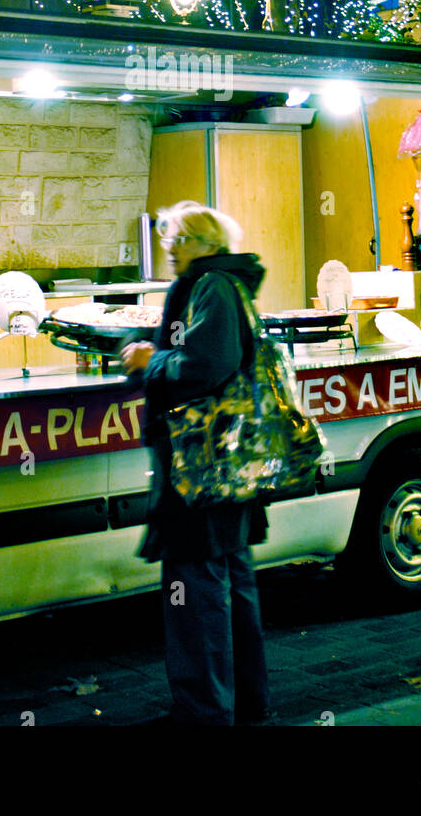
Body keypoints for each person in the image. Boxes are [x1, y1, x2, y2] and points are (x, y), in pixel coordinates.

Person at [121, 200, 270, 726]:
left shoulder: (210, 286)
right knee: (231, 577)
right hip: (227, 464)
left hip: (199, 465)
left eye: (178, 240)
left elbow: (208, 362)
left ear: (207, 245)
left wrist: (150, 360)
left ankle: (203, 712)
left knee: (196, 586)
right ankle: (244, 704)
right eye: (167, 240)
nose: (169, 248)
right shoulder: (228, 284)